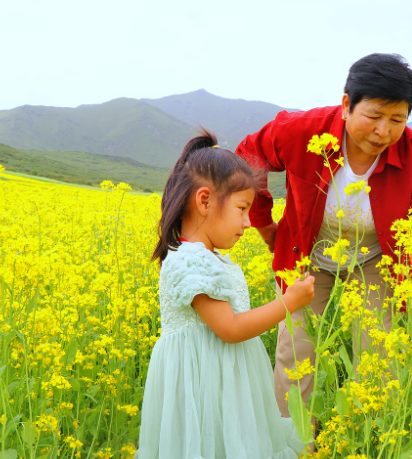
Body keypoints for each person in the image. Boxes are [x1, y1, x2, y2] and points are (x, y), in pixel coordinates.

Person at [235, 53, 412, 419]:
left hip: (376, 260)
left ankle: (367, 436)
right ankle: (290, 442)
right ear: (347, 105)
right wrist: (264, 224)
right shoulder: (302, 131)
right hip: (308, 255)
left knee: (379, 355)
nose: (383, 131)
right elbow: (249, 159)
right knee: (295, 352)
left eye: (397, 120)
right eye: (373, 116)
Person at [135, 130, 315, 459]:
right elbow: (229, 329)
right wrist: (288, 303)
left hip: (223, 382)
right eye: (242, 209)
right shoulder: (190, 260)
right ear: (204, 201)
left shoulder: (210, 257)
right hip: (203, 387)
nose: (248, 223)